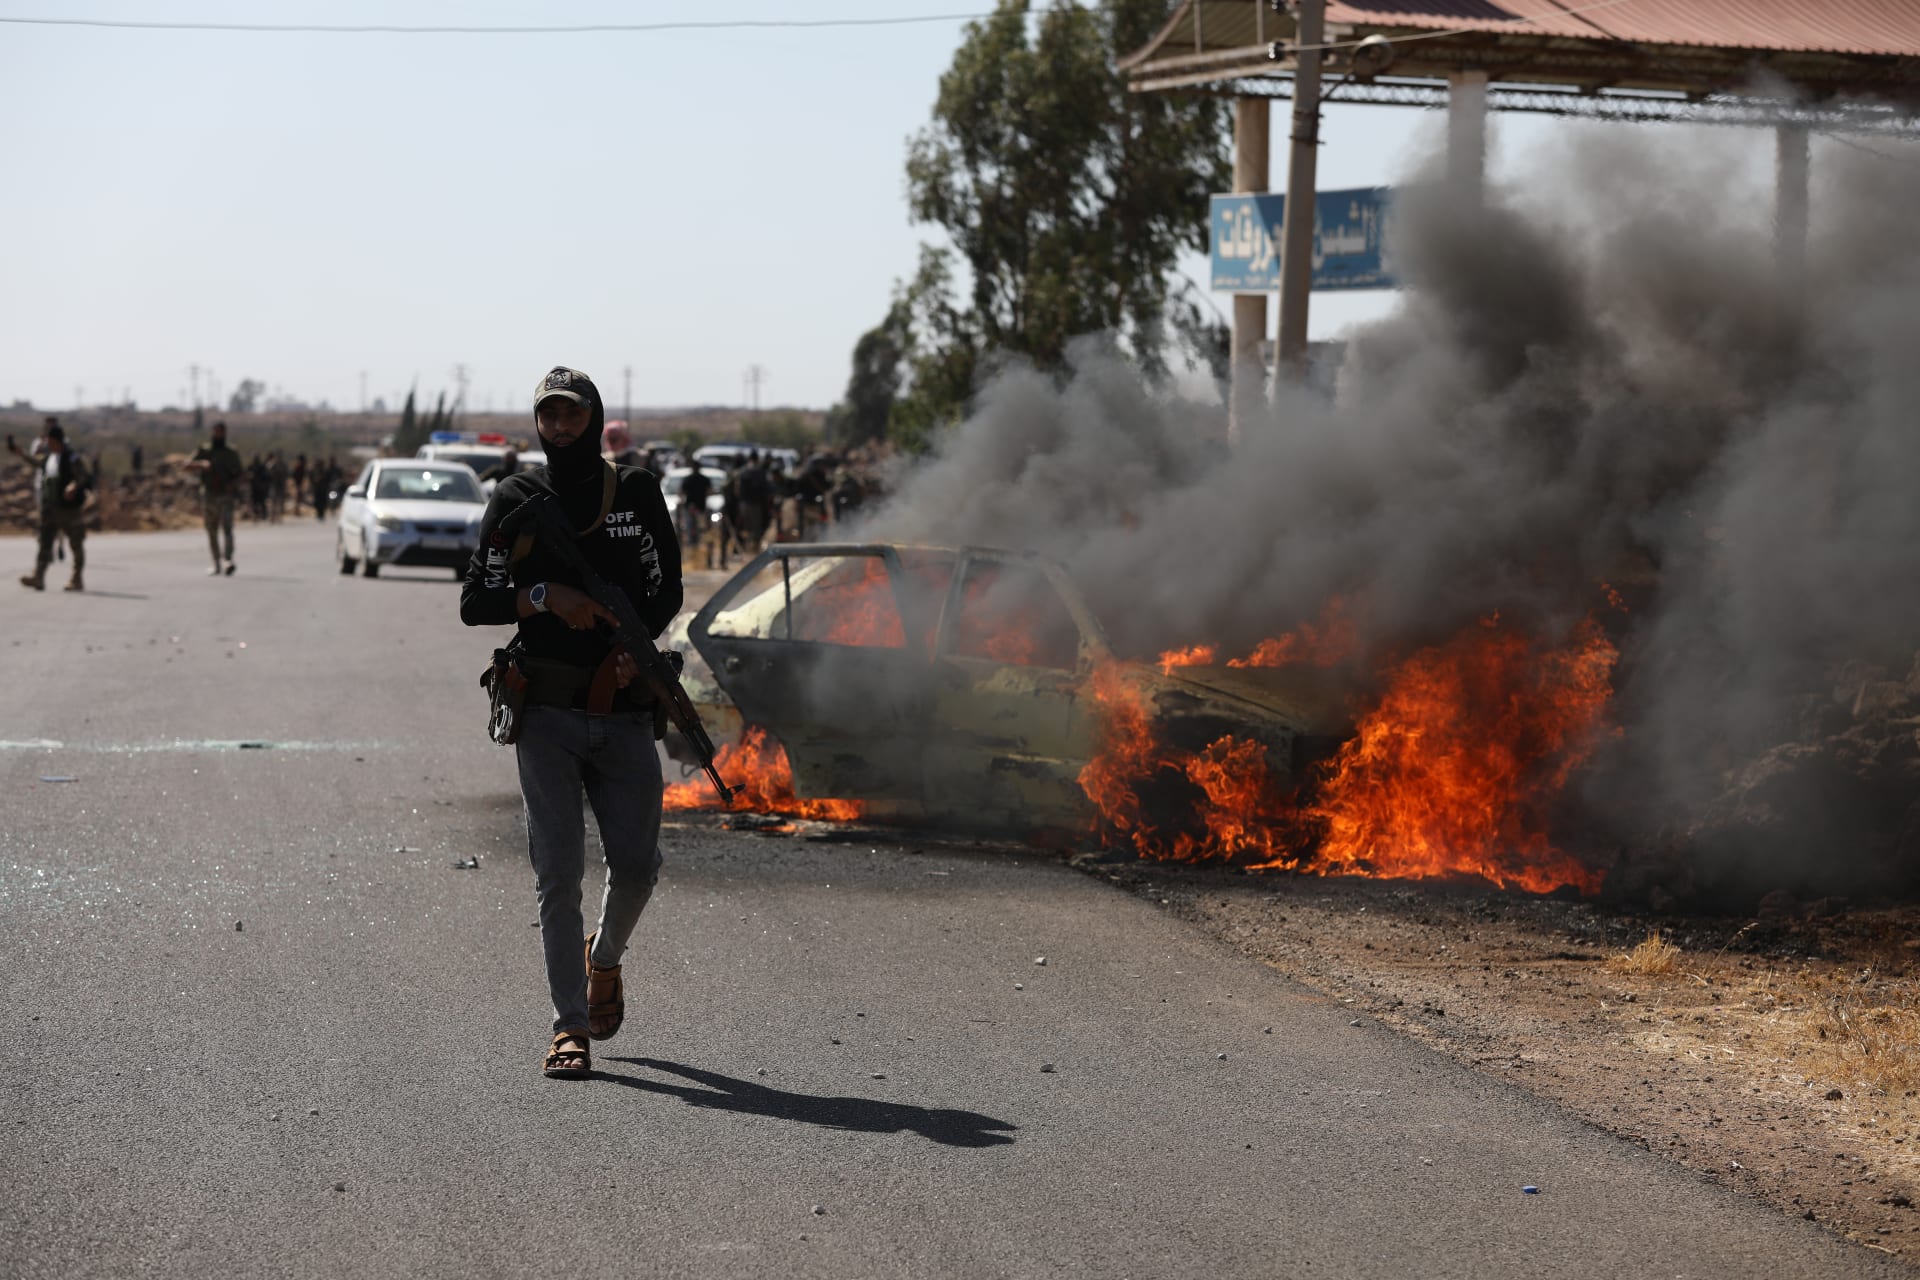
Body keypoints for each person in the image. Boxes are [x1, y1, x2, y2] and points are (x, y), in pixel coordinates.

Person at [460, 366, 682, 1079]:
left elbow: (666, 589)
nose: (560, 429)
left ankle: (604, 960)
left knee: (639, 867)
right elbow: (476, 600)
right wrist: (542, 596)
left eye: (572, 416)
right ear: (537, 423)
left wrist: (632, 653)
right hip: (546, 713)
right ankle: (570, 1027)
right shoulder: (515, 498)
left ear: (595, 417)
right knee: (557, 874)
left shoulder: (639, 493)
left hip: (622, 710)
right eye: (549, 417)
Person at [9, 418, 90, 592]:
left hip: (69, 510)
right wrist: (20, 453)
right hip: (50, 509)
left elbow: (84, 477)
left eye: (50, 441)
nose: (47, 443)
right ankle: (38, 577)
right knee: (45, 543)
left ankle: (77, 579)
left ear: (56, 440)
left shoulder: (71, 457)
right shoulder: (50, 458)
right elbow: (36, 463)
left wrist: (73, 486)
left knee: (76, 544)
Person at [186, 421, 243, 575]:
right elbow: (187, 465)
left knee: (227, 529)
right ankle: (216, 562)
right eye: (216, 431)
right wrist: (201, 464)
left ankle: (228, 560)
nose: (218, 434)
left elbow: (240, 474)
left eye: (221, 431)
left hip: (226, 495)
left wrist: (233, 485)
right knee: (211, 530)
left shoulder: (231, 452)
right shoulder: (205, 450)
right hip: (209, 495)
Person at [678, 461, 712, 564]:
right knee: (701, 528)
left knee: (690, 528)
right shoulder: (705, 479)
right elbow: (709, 491)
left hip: (690, 507)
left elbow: (681, 492)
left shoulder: (687, 479)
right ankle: (697, 545)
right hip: (701, 507)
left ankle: (692, 546)